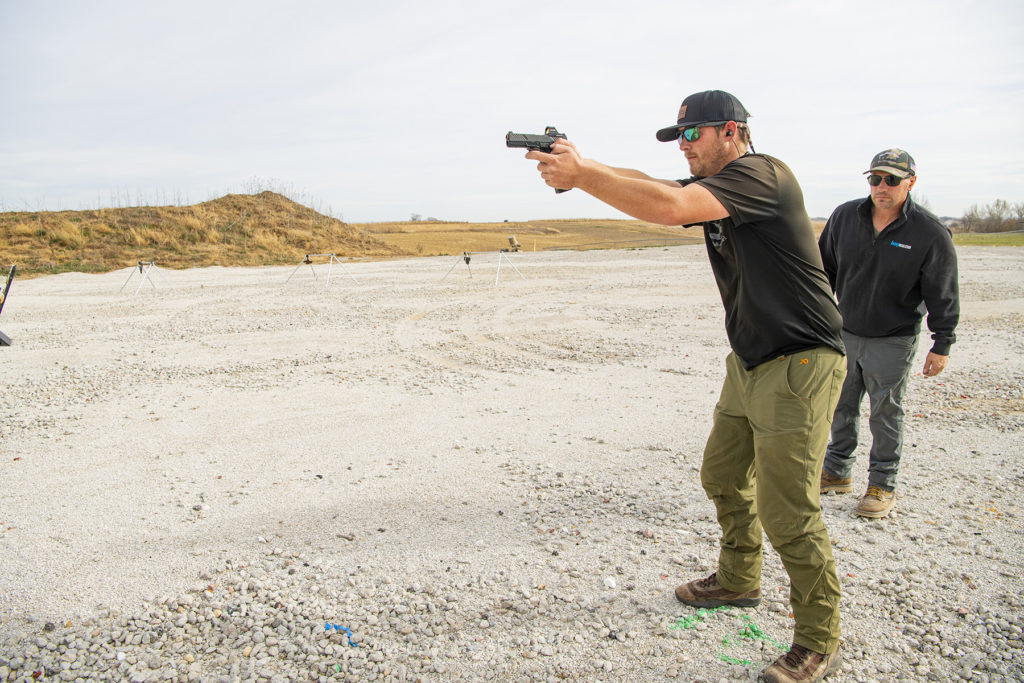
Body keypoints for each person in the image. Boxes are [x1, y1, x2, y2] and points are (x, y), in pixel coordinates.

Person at [524, 89, 846, 682]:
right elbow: (663, 189)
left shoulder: (762, 175)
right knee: (722, 476)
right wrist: (582, 165)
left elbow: (670, 209)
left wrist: (583, 175)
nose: (685, 149)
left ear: (731, 131)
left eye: (691, 136)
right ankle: (739, 580)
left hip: (800, 364)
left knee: (789, 509)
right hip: (751, 361)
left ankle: (818, 639)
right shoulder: (720, 188)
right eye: (679, 139)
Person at [818, 149, 959, 518]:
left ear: (910, 182)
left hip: (894, 338)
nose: (882, 186)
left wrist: (941, 343)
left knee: (886, 412)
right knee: (840, 404)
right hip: (844, 332)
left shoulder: (929, 233)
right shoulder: (845, 217)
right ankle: (836, 471)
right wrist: (816, 319)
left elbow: (943, 291)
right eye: (875, 178)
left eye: (892, 179)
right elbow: (823, 271)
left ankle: (882, 483)